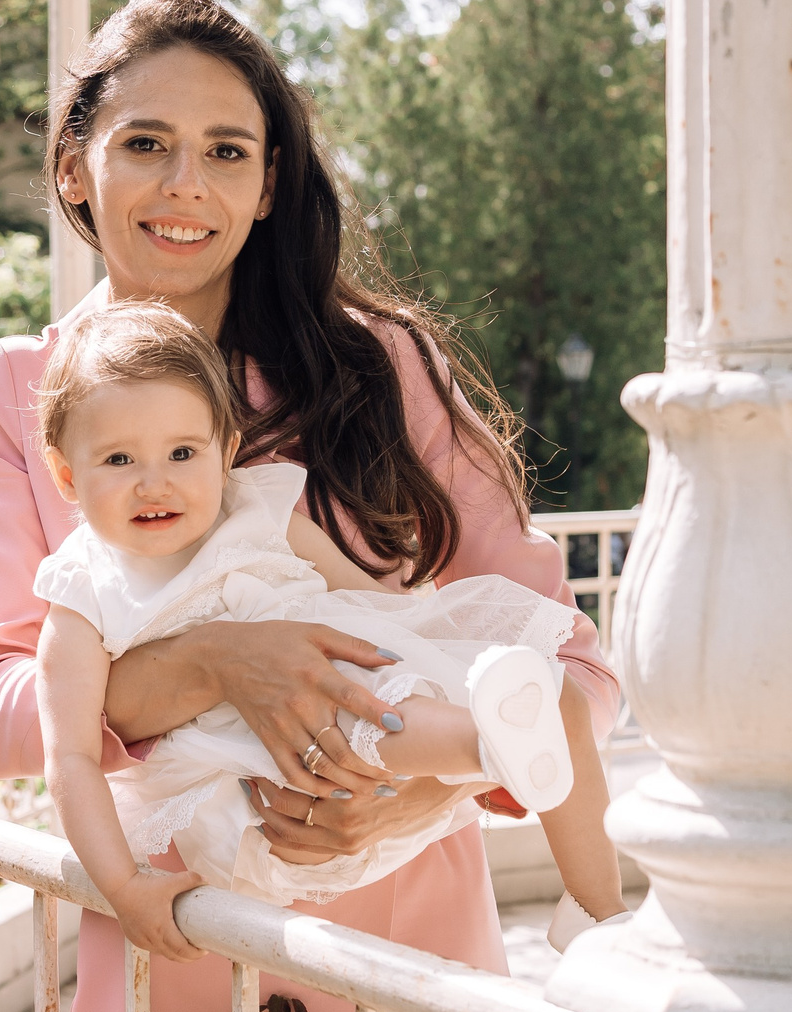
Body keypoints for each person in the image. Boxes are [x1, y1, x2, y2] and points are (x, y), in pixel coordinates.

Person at [0, 0, 622, 1012]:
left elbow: (570, 662)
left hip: (409, 959)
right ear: (76, 161)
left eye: (227, 149)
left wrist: (432, 778)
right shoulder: (22, 396)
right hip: (178, 939)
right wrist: (210, 665)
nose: (182, 182)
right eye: (144, 141)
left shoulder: (382, 366)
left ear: (270, 185)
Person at [31, 302, 618, 927]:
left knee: (560, 701)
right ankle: (491, 745)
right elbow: (69, 758)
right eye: (119, 461)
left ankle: (598, 915)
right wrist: (124, 886)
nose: (155, 483)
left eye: (181, 453)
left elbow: (376, 607)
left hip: (361, 709)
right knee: (369, 703)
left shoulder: (259, 511)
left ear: (225, 450)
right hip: (267, 799)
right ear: (67, 475)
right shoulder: (83, 593)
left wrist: (454, 663)